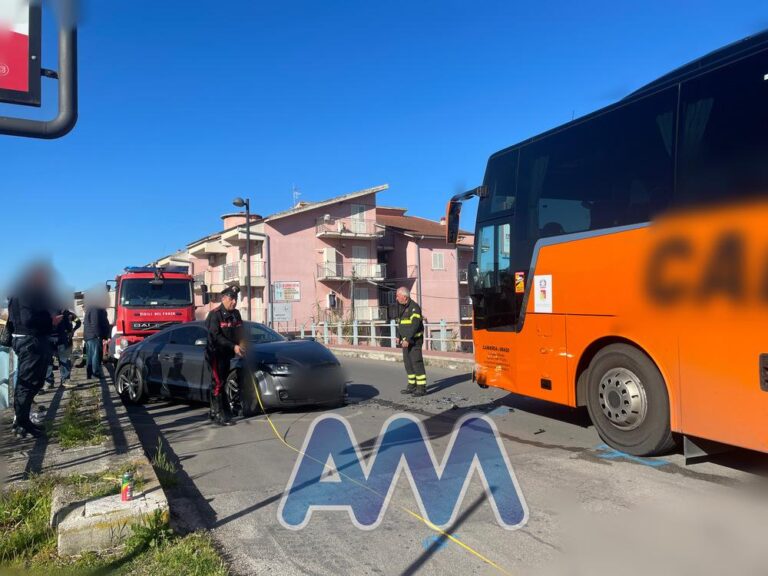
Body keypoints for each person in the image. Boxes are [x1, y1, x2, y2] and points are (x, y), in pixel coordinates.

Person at [8, 264, 62, 438]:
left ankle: (23, 421)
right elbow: (28, 319)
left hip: (27, 340)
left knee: (33, 382)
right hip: (30, 341)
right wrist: (50, 320)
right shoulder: (27, 292)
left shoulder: (19, 291)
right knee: (28, 383)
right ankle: (21, 424)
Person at [205, 286, 244, 426]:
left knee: (222, 383)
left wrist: (242, 343)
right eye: (231, 298)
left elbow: (241, 332)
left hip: (227, 354)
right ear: (223, 298)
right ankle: (220, 416)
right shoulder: (215, 315)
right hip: (215, 354)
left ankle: (214, 412)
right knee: (218, 384)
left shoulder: (236, 314)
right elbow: (215, 337)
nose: (234, 302)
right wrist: (233, 346)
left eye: (236, 299)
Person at [395, 286, 427, 397]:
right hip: (405, 341)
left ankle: (421, 388)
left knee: (416, 363)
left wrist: (408, 339)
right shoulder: (401, 307)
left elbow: (415, 325)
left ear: (404, 296)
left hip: (414, 340)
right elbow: (400, 324)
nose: (396, 298)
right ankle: (412, 385)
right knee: (408, 364)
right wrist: (398, 336)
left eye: (398, 296)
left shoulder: (414, 307)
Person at [44, 309, 81, 390]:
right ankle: (51, 381)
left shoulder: (67, 312)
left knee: (62, 360)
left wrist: (72, 330)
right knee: (49, 361)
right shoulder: (46, 309)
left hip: (60, 339)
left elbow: (78, 322)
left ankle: (61, 381)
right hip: (51, 338)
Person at [83, 293, 110, 381]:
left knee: (90, 356)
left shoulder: (91, 307)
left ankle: (90, 373)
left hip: (90, 335)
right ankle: (96, 373)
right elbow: (95, 323)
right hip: (94, 336)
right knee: (96, 355)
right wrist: (99, 335)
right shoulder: (95, 308)